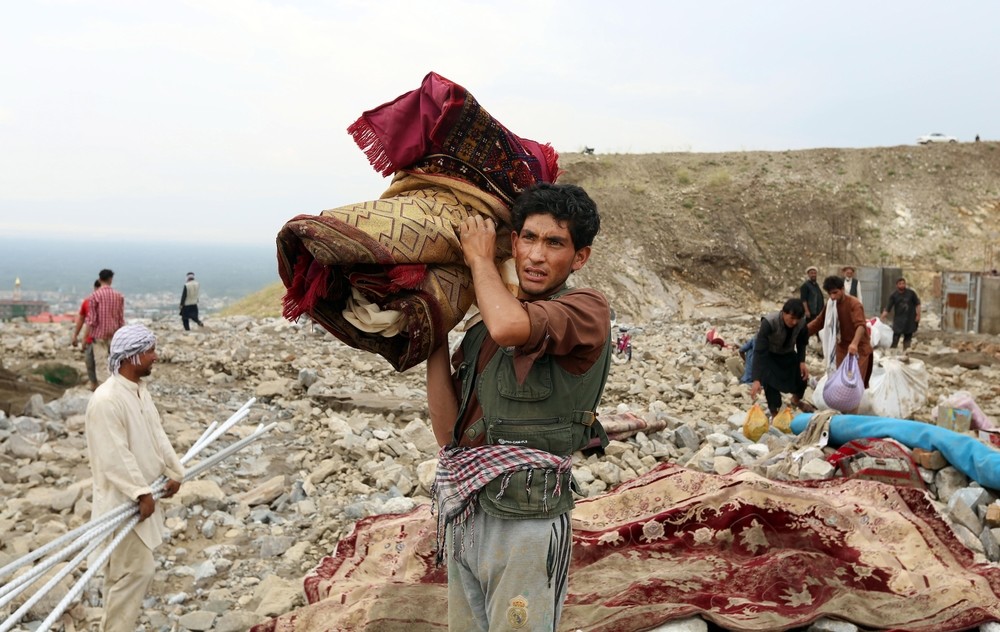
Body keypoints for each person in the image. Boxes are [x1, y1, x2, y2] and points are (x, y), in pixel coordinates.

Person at [426, 183, 611, 631]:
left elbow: (511, 326)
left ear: (579, 257)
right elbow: (450, 432)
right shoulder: (484, 326)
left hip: (528, 521)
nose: (536, 255)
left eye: (554, 243)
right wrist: (432, 334)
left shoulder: (585, 309)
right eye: (528, 238)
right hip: (468, 512)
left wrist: (477, 259)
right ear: (514, 241)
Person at [85, 323, 184, 632]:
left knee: (125, 574)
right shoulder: (107, 400)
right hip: (122, 502)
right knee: (134, 573)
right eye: (149, 351)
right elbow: (113, 455)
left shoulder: (139, 392)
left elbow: (157, 435)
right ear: (131, 357)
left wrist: (175, 471)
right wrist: (141, 493)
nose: (155, 356)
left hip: (143, 496)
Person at [807, 275, 873, 390]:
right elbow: (819, 322)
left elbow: (861, 326)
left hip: (859, 348)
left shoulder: (854, 304)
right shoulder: (831, 305)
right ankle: (842, 407)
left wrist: (854, 344)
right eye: (830, 294)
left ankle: (854, 407)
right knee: (840, 382)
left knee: (855, 383)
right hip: (842, 348)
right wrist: (801, 332)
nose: (832, 297)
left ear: (842, 289)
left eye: (835, 293)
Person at [748, 299, 813, 416]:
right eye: (792, 318)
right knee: (770, 383)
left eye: (797, 319)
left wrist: (802, 361)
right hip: (770, 355)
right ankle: (774, 412)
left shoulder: (801, 323)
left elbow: (801, 343)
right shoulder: (769, 322)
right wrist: (756, 379)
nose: (794, 322)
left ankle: (796, 400)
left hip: (788, 353)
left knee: (802, 377)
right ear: (784, 312)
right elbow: (759, 351)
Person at [86, 268, 126, 384]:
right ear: (111, 280)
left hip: (98, 336)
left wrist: (87, 336)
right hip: (114, 335)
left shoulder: (95, 296)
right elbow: (120, 318)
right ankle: (117, 385)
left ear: (100, 279)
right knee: (115, 363)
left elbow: (92, 320)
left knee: (101, 364)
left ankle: (104, 389)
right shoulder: (118, 296)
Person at [71, 280, 101, 390]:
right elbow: (83, 319)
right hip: (93, 339)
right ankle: (94, 384)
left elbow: (88, 321)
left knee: (97, 363)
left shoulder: (105, 302)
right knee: (90, 362)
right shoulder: (88, 302)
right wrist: (76, 335)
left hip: (100, 339)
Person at [881, 277, 921, 350]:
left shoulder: (911, 293)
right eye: (900, 284)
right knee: (895, 338)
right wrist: (882, 317)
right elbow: (888, 308)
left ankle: (906, 353)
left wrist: (918, 315)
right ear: (897, 285)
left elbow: (917, 304)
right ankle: (892, 353)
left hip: (910, 319)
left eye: (903, 283)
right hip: (899, 320)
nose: (902, 285)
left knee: (908, 338)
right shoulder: (894, 295)